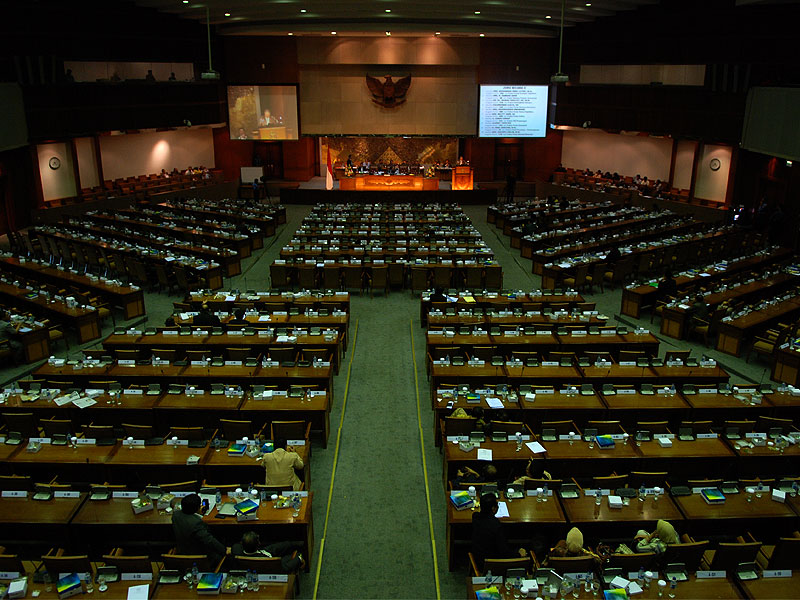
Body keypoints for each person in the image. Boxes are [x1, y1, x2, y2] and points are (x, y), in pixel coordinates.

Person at [471, 494, 526, 568]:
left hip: (478, 556)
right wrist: (519, 554)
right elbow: (504, 552)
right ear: (493, 508)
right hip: (491, 563)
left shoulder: (475, 517)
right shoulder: (496, 526)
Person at [171, 493, 227, 564]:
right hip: (199, 556)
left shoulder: (175, 515)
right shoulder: (196, 523)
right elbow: (209, 540)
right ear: (197, 508)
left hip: (182, 549)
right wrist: (224, 550)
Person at [232, 531, 305, 572]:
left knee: (283, 545)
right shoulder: (268, 560)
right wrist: (299, 559)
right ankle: (300, 549)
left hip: (263, 552)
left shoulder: (236, 549)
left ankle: (295, 544)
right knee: (296, 554)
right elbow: (285, 569)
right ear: (258, 544)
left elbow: (233, 548)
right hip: (269, 562)